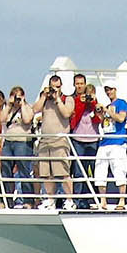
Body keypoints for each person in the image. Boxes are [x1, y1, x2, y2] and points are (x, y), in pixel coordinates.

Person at [32, 74, 74, 208]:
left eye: (57, 87)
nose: (54, 90)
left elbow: (67, 113)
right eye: (52, 87)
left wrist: (57, 99)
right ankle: (50, 199)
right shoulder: (44, 99)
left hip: (60, 139)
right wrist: (44, 96)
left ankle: (69, 200)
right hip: (45, 140)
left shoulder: (67, 99)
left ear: (61, 86)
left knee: (63, 172)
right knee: (46, 173)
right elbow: (34, 109)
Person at [0, 85, 35, 207]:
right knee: (6, 171)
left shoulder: (28, 107)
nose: (16, 99)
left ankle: (28, 200)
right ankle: (6, 200)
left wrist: (23, 104)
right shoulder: (8, 109)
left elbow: (27, 120)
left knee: (24, 171)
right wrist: (9, 105)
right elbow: (1, 120)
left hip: (23, 141)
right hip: (8, 141)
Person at [95, 84, 127, 209]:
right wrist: (100, 114)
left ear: (116, 89)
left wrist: (107, 110)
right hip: (104, 142)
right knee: (100, 172)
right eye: (106, 90)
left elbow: (121, 118)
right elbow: (105, 123)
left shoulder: (121, 103)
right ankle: (102, 200)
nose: (109, 92)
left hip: (118, 142)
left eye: (110, 89)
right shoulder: (108, 106)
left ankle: (121, 200)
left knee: (119, 171)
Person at [68, 73, 99, 206]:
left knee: (92, 169)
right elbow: (76, 117)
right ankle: (79, 199)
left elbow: (97, 118)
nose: (79, 86)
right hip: (78, 138)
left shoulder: (92, 99)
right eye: (77, 83)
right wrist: (80, 102)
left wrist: (92, 102)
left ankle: (90, 197)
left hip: (93, 139)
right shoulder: (73, 99)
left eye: (81, 83)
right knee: (79, 171)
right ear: (74, 84)